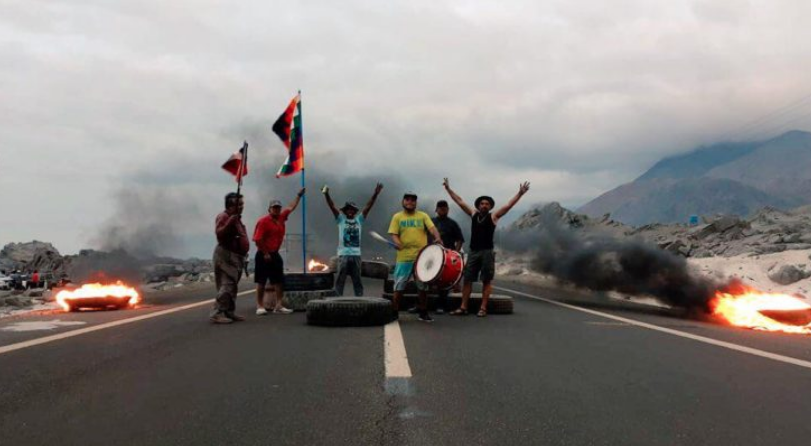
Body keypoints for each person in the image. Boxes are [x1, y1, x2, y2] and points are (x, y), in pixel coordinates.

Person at [444, 178, 530, 317]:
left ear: (490, 207)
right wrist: (448, 189)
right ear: (478, 205)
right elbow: (459, 201)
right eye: (482, 203)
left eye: (487, 204)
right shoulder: (473, 215)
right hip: (473, 251)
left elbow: (508, 206)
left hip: (487, 252)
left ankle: (483, 308)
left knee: (486, 280)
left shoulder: (494, 217)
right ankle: (463, 307)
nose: (484, 205)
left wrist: (520, 194)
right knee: (467, 279)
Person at [388, 192, 443, 322]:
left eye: (413, 200)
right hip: (404, 258)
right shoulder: (397, 217)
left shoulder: (423, 216)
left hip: (421, 259)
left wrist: (438, 237)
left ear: (416, 203)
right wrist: (397, 242)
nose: (410, 202)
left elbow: (432, 228)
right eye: (407, 200)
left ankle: (423, 312)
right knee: (399, 287)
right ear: (403, 202)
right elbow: (394, 233)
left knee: (423, 288)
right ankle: (394, 312)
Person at [323, 182, 384, 296]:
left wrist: (375, 194)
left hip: (356, 255)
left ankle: (360, 299)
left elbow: (368, 206)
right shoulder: (340, 220)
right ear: (345, 211)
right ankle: (337, 299)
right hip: (343, 254)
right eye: (348, 209)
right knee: (340, 279)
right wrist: (326, 194)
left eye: (352, 209)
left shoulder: (359, 220)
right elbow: (332, 206)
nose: (350, 211)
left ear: (355, 211)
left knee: (357, 280)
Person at [253, 188, 305, 315]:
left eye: (278, 207)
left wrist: (298, 195)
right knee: (261, 281)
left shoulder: (282, 218)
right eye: (274, 207)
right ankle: (260, 306)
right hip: (263, 254)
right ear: (269, 209)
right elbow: (257, 239)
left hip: (275, 253)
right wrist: (265, 253)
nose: (276, 209)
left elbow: (291, 207)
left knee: (278, 280)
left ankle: (279, 305)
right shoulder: (263, 221)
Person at [211, 192, 250, 324]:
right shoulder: (224, 217)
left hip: (236, 256)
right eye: (238, 204)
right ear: (230, 206)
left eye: (242, 204)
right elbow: (220, 234)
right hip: (226, 254)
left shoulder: (237, 218)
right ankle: (217, 312)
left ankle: (229, 311)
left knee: (233, 285)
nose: (241, 206)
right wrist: (230, 222)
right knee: (228, 284)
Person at [431, 200, 465, 313]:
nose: (442, 210)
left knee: (443, 281)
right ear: (436, 209)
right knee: (425, 280)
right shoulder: (430, 222)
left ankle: (441, 305)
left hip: (446, 256)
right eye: (440, 208)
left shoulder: (452, 223)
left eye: (445, 208)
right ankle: (421, 305)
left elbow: (460, 240)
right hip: (431, 255)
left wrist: (455, 254)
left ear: (448, 210)